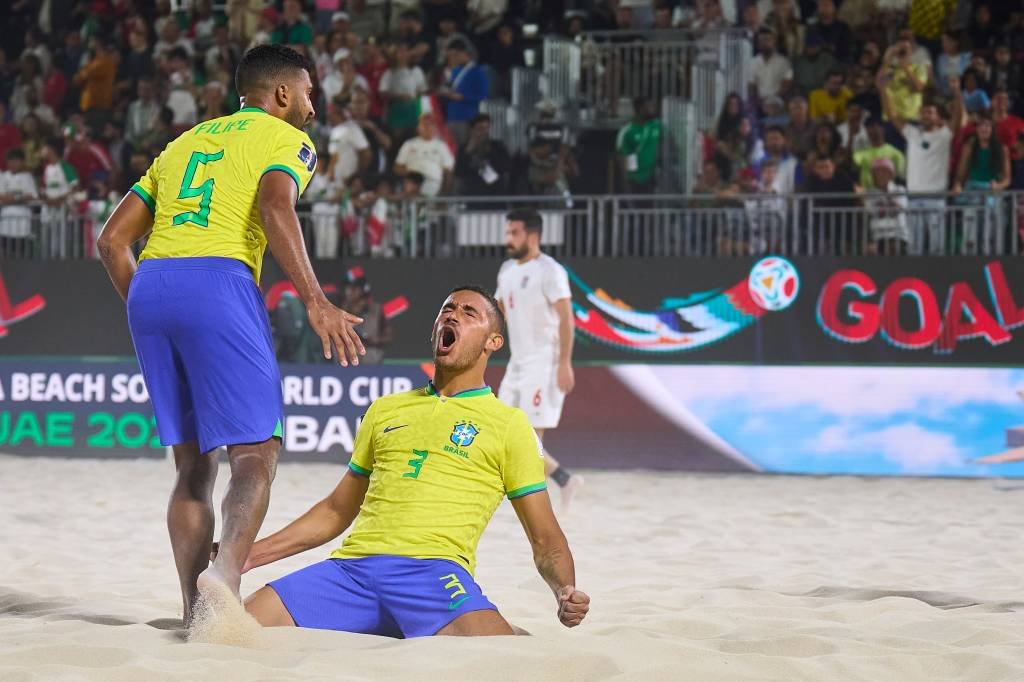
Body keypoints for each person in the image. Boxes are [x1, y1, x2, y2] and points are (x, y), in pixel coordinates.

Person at [96, 44, 366, 629]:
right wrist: (316, 301)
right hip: (219, 279)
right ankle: (224, 577)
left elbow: (111, 241)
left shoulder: (185, 141)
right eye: (310, 94)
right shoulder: (286, 139)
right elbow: (275, 207)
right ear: (283, 94)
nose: (314, 109)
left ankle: (194, 612)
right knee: (256, 452)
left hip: (152, 284)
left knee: (192, 465)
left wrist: (152, 306)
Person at [241, 285, 590, 636]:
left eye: (470, 313)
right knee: (233, 627)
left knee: (499, 653)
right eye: (447, 309)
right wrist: (249, 555)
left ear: (492, 342)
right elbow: (336, 509)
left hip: (433, 574)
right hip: (352, 572)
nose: (452, 315)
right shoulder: (384, 409)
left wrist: (564, 590)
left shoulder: (509, 424)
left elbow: (545, 538)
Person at [495, 209, 584, 512]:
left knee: (531, 440)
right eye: (507, 232)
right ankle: (564, 479)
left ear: (533, 235)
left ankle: (537, 503)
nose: (508, 238)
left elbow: (566, 320)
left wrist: (564, 362)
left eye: (514, 232)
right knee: (501, 430)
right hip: (516, 363)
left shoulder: (550, 270)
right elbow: (498, 313)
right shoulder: (506, 270)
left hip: (545, 362)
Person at [878, 71, 962, 254]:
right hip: (914, 198)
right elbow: (892, 114)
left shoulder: (944, 135)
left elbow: (957, 117)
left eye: (930, 112)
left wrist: (957, 93)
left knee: (937, 249)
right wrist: (882, 89)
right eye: (923, 112)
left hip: (937, 198)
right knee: (914, 249)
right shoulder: (912, 134)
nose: (926, 115)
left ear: (939, 117)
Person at [394, 114, 455, 197]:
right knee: (410, 186)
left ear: (435, 128)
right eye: (424, 124)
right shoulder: (409, 144)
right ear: (418, 127)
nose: (427, 127)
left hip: (433, 182)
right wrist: (414, 176)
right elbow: (397, 167)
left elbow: (448, 171)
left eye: (430, 124)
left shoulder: (441, 146)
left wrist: (444, 193)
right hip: (412, 182)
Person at [340, 268, 392, 364]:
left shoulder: (376, 310)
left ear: (363, 289)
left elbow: (387, 335)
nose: (349, 291)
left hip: (371, 365)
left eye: (354, 288)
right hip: (344, 365)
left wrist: (375, 340)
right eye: (348, 288)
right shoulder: (339, 310)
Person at [616, 97, 662, 194]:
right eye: (650, 106)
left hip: (651, 177)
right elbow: (622, 155)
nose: (654, 109)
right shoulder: (627, 131)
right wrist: (626, 181)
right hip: (633, 179)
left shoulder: (656, 126)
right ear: (641, 109)